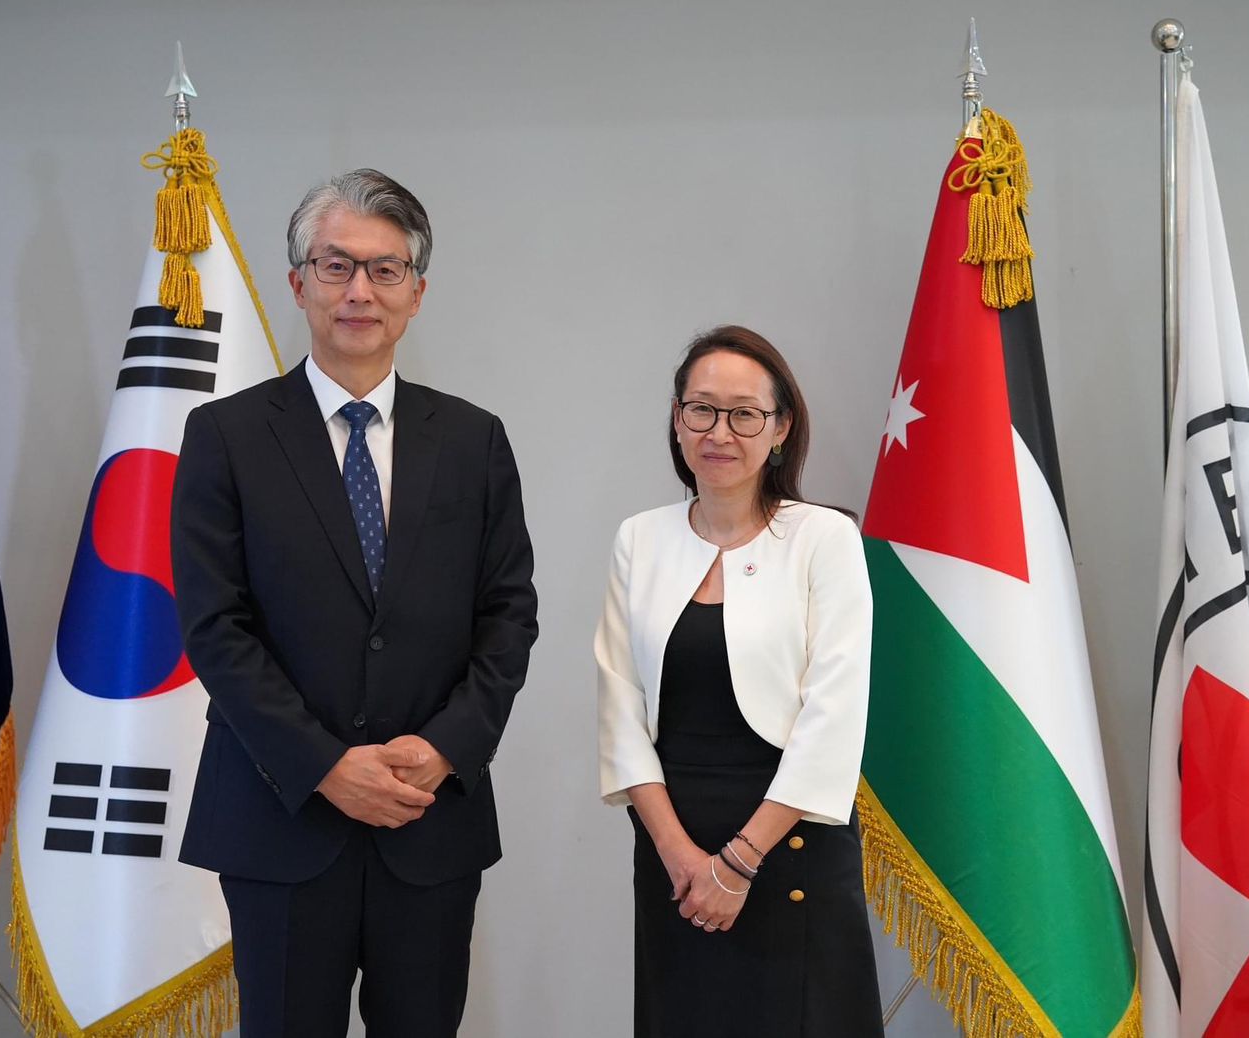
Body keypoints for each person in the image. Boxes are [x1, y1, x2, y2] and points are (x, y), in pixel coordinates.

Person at [171, 168, 538, 1037]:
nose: (360, 291)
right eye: (336, 267)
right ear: (298, 284)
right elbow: (216, 628)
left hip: (429, 815)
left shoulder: (474, 440)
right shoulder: (225, 436)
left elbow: (508, 616)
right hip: (280, 819)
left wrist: (446, 749)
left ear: (417, 292)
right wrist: (326, 766)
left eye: (385, 269)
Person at [595, 325, 884, 1036]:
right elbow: (620, 710)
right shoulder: (640, 538)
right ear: (677, 418)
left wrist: (739, 862)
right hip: (675, 851)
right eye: (701, 409)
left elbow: (834, 715)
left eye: (745, 414)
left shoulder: (823, 538)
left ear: (780, 429)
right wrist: (681, 858)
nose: (719, 432)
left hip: (790, 838)